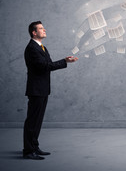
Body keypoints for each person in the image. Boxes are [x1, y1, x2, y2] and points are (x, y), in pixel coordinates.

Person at [23, 21, 78, 160]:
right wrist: (65, 62)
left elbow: (48, 64)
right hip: (36, 90)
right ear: (34, 32)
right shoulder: (31, 48)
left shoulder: (42, 47)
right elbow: (44, 66)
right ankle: (28, 151)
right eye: (41, 28)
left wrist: (64, 61)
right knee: (32, 121)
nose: (44, 29)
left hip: (43, 89)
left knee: (38, 120)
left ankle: (34, 147)